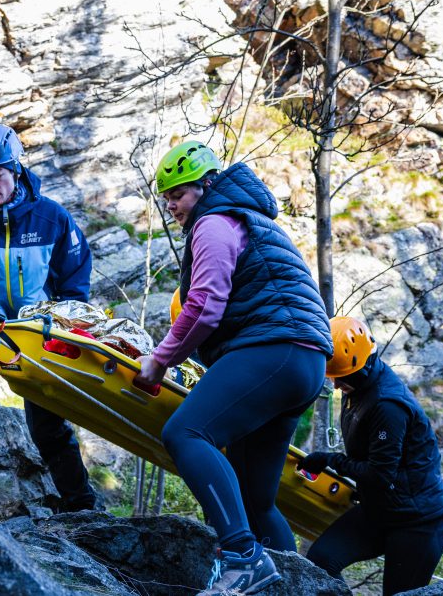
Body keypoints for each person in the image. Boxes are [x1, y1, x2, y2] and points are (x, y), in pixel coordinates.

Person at [135, 141, 333, 595]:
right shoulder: (251, 219)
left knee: (186, 433)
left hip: (272, 349)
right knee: (254, 496)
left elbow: (204, 305)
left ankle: (242, 559)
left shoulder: (214, 222)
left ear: (206, 186)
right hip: (303, 362)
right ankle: (292, 587)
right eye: (166, 198)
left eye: (177, 195)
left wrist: (160, 359)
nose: (171, 207)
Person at [0, 123, 100, 513]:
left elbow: (75, 279)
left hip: (39, 329)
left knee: (46, 421)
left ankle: (80, 505)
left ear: (16, 171)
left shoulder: (53, 219)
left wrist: (55, 322)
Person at [303, 317, 443, 596]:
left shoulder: (387, 406)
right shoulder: (360, 384)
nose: (335, 385)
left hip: (418, 523)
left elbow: (380, 474)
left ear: (360, 367)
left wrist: (329, 460)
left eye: (340, 377)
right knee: (320, 562)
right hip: (379, 510)